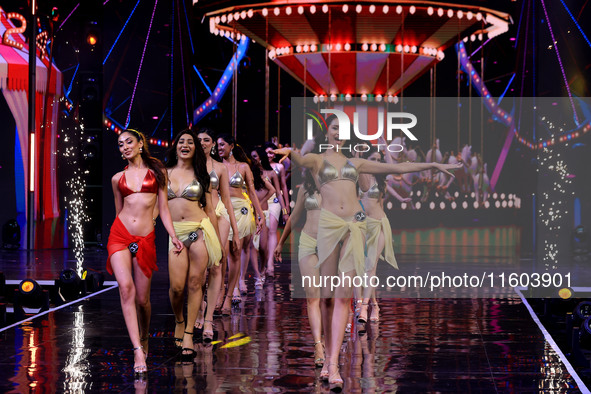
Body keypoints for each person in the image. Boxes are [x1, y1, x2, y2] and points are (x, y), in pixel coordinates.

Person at [273, 115, 461, 391]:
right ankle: (324, 356)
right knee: (326, 298)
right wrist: (291, 152)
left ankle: (334, 364)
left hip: (353, 228)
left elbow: (395, 167)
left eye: (344, 130)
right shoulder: (315, 159)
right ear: (328, 132)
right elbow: (299, 160)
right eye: (336, 128)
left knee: (342, 298)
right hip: (327, 229)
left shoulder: (356, 164)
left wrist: (433, 164)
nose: (340, 133)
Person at [107, 129, 183, 376]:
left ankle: (144, 336)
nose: (124, 147)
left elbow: (164, 208)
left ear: (141, 144)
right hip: (119, 236)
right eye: (120, 144)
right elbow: (119, 211)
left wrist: (172, 235)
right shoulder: (117, 178)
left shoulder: (157, 173)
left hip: (145, 239)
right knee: (125, 288)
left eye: (129, 142)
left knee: (143, 300)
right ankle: (137, 349)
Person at [165, 130, 223, 356]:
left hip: (199, 231)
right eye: (182, 141)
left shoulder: (202, 175)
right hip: (175, 236)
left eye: (190, 142)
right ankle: (179, 320)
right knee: (177, 288)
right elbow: (159, 207)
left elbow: (210, 210)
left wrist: (217, 242)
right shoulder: (164, 173)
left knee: (195, 283)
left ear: (195, 149)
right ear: (176, 146)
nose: (186, 145)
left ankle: (189, 333)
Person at [274, 169, 326, 371]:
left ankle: (330, 344)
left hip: (331, 245)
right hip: (308, 243)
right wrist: (280, 243)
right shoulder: (305, 189)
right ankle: (318, 346)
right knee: (312, 297)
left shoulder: (339, 187)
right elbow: (294, 218)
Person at [356, 151, 410, 327]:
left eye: (379, 160)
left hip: (379, 224)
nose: (377, 163)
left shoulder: (382, 180)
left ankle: (364, 308)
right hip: (363, 224)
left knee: (371, 267)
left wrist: (386, 149)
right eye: (373, 159)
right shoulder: (360, 177)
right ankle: (374, 305)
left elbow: (394, 170)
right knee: (363, 268)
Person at [196, 128, 241, 331]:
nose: (203, 143)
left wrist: (236, 232)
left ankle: (209, 316)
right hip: (197, 216)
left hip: (219, 214)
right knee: (199, 269)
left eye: (207, 139)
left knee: (216, 264)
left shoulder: (220, 168)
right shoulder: (188, 165)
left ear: (213, 143)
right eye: (199, 140)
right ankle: (199, 307)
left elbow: (227, 201)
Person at [217, 134, 265, 312]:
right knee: (223, 252)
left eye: (222, 145)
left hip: (242, 210)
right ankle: (221, 289)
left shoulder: (244, 166)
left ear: (231, 146)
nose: (219, 148)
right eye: (217, 145)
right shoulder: (216, 166)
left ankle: (234, 288)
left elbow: (252, 192)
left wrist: (260, 214)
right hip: (223, 209)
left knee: (236, 251)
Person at [251, 146, 289, 277]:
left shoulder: (275, 170)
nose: (269, 155)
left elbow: (279, 191)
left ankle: (270, 263)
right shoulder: (253, 171)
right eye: (267, 152)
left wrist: (285, 209)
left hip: (273, 202)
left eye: (271, 152)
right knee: (257, 236)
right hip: (257, 202)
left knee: (271, 230)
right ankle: (259, 266)